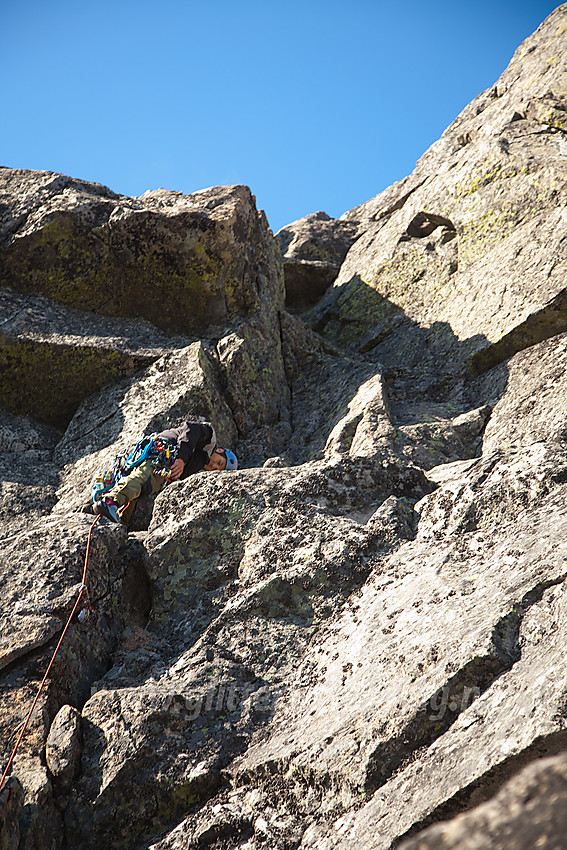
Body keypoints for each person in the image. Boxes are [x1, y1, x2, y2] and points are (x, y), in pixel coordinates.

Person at [93, 420, 238, 523]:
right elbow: (191, 428)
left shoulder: (196, 471)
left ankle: (103, 518)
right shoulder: (209, 440)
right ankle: (110, 501)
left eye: (216, 469)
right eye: (219, 462)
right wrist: (181, 458)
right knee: (142, 482)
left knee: (133, 499)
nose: (213, 465)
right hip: (159, 455)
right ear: (220, 451)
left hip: (150, 463)